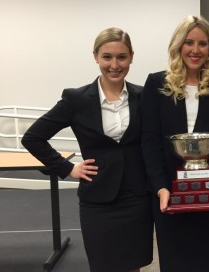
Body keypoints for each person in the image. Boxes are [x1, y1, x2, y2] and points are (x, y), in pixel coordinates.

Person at [21, 27, 153, 272]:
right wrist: (67, 167)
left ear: (131, 57)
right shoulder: (76, 99)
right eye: (107, 57)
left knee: (133, 266)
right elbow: (33, 137)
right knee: (104, 266)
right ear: (95, 56)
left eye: (121, 57)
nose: (114, 64)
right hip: (98, 199)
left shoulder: (144, 96)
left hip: (136, 197)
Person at [140, 15, 209, 272]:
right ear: (178, 45)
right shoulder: (157, 84)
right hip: (169, 193)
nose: (196, 50)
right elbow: (149, 142)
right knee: (176, 261)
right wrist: (160, 187)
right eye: (189, 42)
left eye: (203, 44)